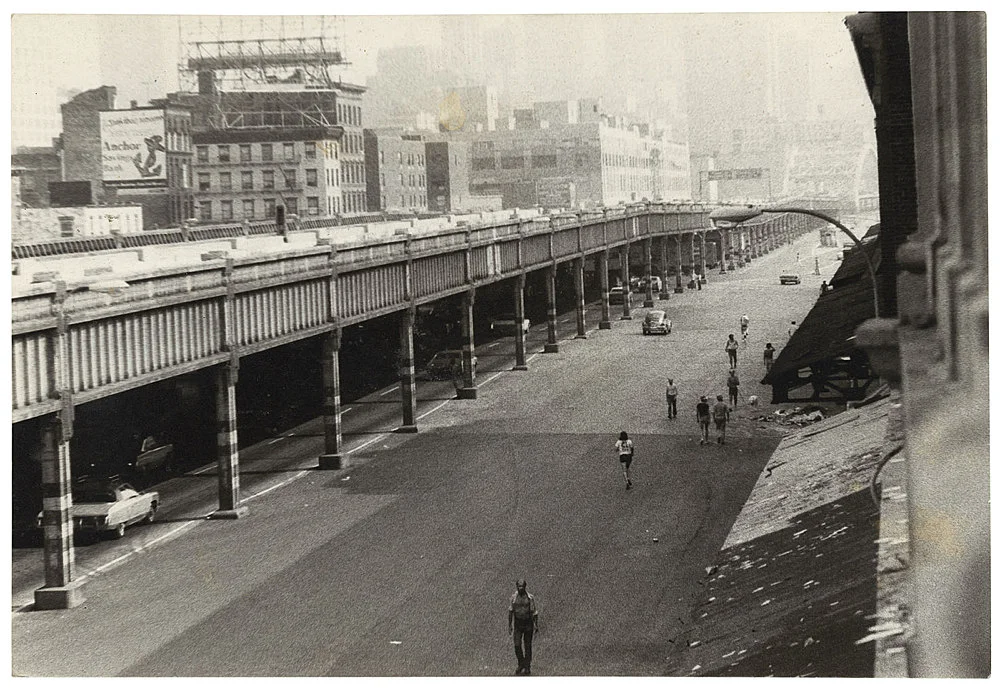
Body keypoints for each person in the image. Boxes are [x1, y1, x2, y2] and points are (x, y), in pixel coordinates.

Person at [508, 579, 539, 675]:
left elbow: (534, 612)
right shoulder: (513, 598)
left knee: (527, 646)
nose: (520, 588)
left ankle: (527, 666)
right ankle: (521, 663)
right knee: (517, 645)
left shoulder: (530, 598)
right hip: (518, 624)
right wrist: (509, 625)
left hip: (528, 624)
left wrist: (536, 625)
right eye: (519, 586)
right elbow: (510, 611)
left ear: (525, 587)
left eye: (522, 586)